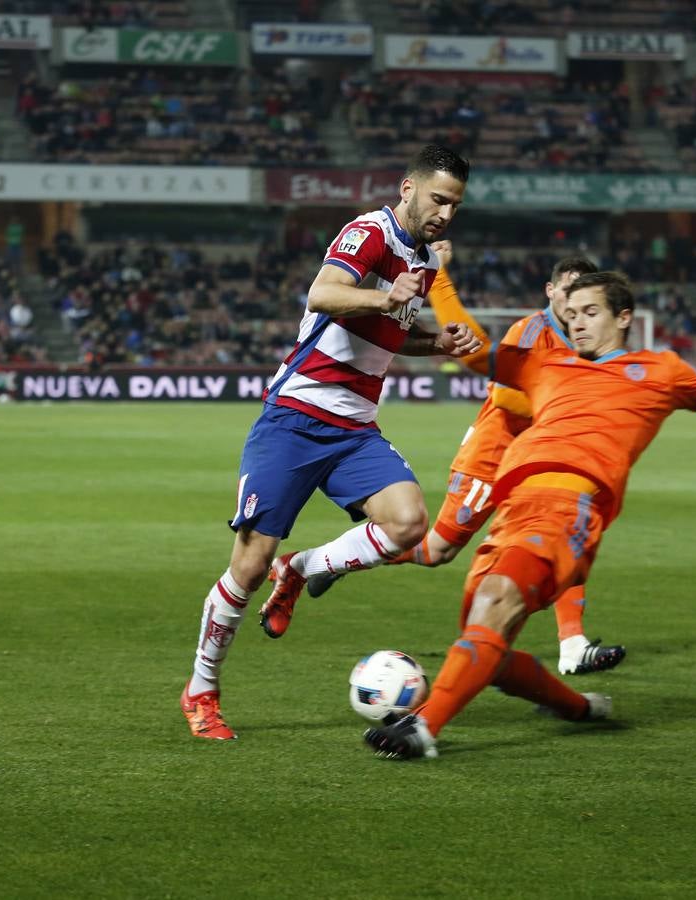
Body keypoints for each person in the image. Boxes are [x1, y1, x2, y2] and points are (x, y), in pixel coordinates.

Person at [364, 271, 696, 760]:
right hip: (514, 508)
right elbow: (474, 350)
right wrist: (440, 281)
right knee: (488, 649)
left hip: (568, 508)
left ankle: (423, 729)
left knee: (495, 605)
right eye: (571, 315)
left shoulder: (660, 370)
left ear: (624, 316)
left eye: (590, 313)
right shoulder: (547, 364)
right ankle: (581, 709)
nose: (577, 324)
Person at [182, 144, 482, 741]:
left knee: (408, 522)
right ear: (408, 188)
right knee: (248, 562)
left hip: (355, 429)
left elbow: (388, 334)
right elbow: (322, 294)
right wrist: (384, 294)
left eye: (455, 205)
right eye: (438, 199)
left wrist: (435, 346)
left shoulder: (424, 259)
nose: (445, 213)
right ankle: (201, 690)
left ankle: (303, 569)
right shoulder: (369, 232)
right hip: (295, 416)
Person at [288, 254, 626, 676]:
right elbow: (504, 396)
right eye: (567, 291)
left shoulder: (584, 341)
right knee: (437, 550)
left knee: (566, 539)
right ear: (551, 291)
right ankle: (332, 560)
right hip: (493, 458)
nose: (574, 302)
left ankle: (572, 645)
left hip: (541, 463)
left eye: (583, 295)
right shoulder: (532, 331)